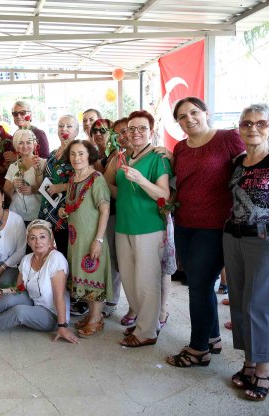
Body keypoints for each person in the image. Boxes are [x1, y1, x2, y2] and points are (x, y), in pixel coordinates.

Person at [162, 97, 246, 368]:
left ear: (206, 113)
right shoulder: (180, 148)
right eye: (182, 116)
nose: (189, 119)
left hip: (215, 226)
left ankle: (198, 349)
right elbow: (179, 183)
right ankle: (212, 338)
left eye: (194, 112)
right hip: (184, 224)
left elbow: (249, 170)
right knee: (201, 284)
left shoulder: (227, 138)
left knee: (198, 287)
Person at [222, 104, 269, 401]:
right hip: (234, 237)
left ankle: (264, 368)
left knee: (258, 306)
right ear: (239, 128)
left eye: (261, 123)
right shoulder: (238, 162)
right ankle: (249, 361)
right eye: (247, 123)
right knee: (239, 303)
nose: (253, 128)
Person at [107, 110, 171, 348]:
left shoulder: (158, 158)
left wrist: (141, 180)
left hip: (148, 226)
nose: (135, 133)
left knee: (147, 280)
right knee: (129, 279)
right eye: (131, 128)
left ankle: (147, 332)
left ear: (151, 131)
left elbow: (163, 195)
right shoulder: (122, 157)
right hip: (124, 224)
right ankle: (145, 321)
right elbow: (113, 186)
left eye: (142, 128)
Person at [57, 140, 111, 337]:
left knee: (94, 276)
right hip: (76, 239)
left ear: (89, 156)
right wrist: (64, 211)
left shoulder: (96, 178)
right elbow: (74, 205)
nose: (76, 158)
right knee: (84, 278)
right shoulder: (73, 178)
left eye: (81, 153)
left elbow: (105, 209)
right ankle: (92, 316)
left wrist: (98, 240)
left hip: (91, 238)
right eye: (73, 154)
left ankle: (96, 319)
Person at [39, 115, 79, 259]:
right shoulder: (53, 153)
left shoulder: (77, 154)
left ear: (76, 131)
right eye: (61, 126)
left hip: (64, 209)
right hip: (48, 206)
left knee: (64, 252)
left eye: (69, 126)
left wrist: (61, 187)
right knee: (46, 252)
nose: (64, 129)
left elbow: (85, 182)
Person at [102, 118, 131, 319]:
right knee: (117, 259)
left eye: (126, 130)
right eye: (118, 133)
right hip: (115, 212)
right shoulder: (117, 157)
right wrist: (125, 196)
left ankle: (152, 312)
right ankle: (114, 300)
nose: (122, 136)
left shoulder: (155, 154)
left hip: (144, 219)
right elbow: (105, 182)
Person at [4, 129, 45, 225]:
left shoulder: (43, 163)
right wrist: (12, 185)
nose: (25, 146)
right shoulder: (13, 166)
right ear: (16, 146)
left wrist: (33, 189)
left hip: (37, 214)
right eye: (21, 143)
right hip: (16, 214)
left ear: (34, 144)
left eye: (28, 142)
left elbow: (49, 190)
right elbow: (5, 193)